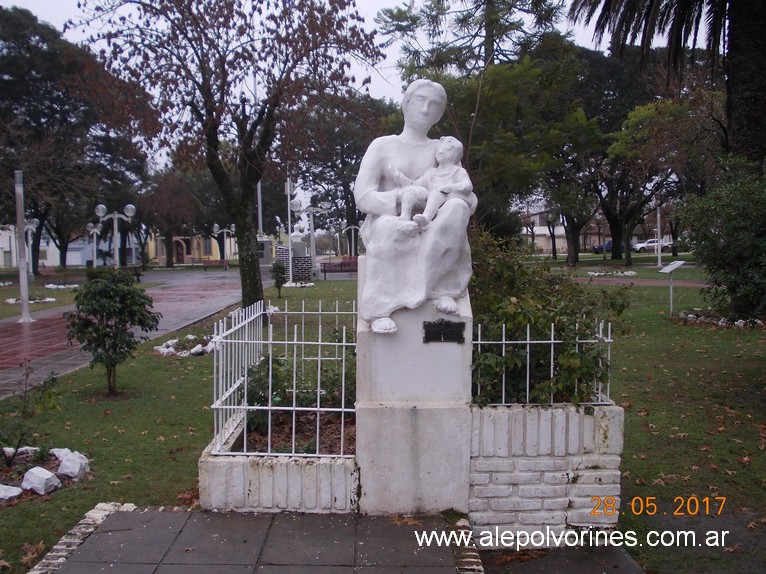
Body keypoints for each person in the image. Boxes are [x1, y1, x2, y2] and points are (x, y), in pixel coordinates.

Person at [354, 79, 477, 334]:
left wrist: (458, 200)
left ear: (440, 113)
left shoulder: (442, 149)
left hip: (432, 218)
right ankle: (380, 308)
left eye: (434, 104)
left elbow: (465, 191)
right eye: (420, 100)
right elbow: (363, 196)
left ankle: (441, 290)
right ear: (406, 103)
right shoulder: (383, 145)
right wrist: (400, 197)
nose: (425, 109)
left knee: (456, 208)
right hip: (390, 217)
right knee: (388, 228)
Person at [388, 136, 473, 226]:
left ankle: (426, 218)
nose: (440, 153)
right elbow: (415, 184)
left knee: (435, 194)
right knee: (412, 192)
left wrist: (449, 188)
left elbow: (467, 185)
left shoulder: (458, 171)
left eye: (447, 150)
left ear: (455, 154)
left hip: (444, 199)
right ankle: (405, 216)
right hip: (427, 199)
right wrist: (399, 176)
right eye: (439, 151)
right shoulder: (431, 172)